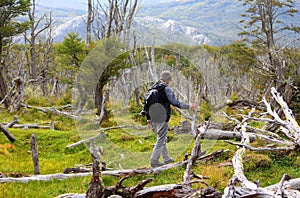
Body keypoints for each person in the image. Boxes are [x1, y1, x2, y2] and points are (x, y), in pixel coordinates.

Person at [148, 70, 196, 168]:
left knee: (162, 137)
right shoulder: (166, 89)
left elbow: (147, 104)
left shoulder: (152, 88)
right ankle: (154, 160)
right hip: (162, 117)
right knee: (161, 139)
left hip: (153, 117)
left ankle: (166, 159)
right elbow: (175, 102)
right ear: (168, 80)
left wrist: (148, 118)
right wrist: (188, 106)